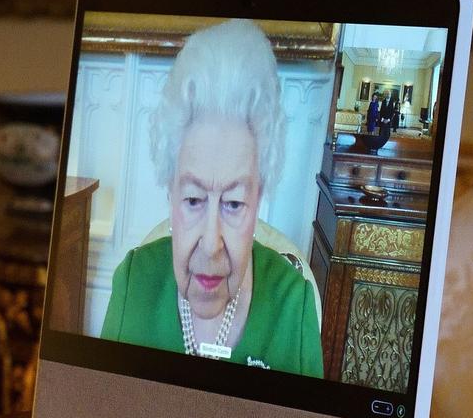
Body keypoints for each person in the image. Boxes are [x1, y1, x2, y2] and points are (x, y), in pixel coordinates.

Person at [100, 19, 324, 378]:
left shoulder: (292, 304)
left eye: (234, 203)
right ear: (170, 192)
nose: (211, 244)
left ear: (258, 198)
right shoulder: (133, 282)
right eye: (193, 199)